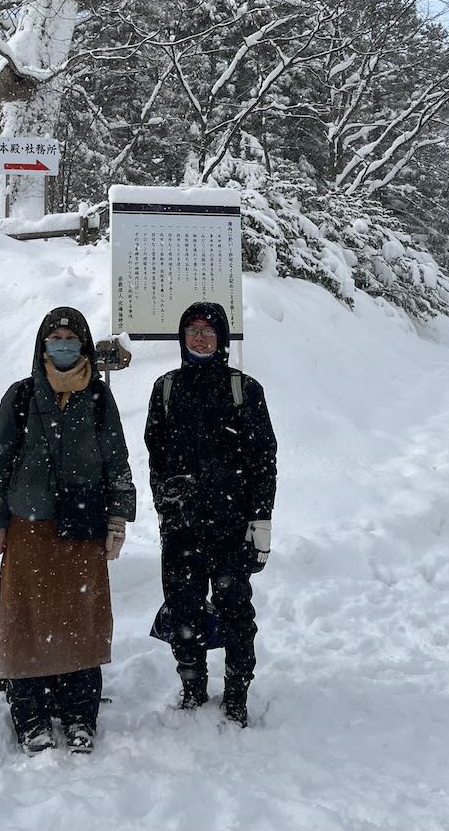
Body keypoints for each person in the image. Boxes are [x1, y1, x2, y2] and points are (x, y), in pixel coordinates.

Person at [0, 306, 136, 755]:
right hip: (28, 526)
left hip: (83, 525)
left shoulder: (101, 399)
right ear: (42, 345)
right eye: (55, 338)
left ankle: (80, 714)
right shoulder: (23, 396)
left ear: (83, 345)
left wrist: (118, 519)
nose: (62, 345)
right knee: (26, 621)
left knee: (81, 621)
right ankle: (29, 714)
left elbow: (117, 462)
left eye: (70, 338)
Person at [144, 301, 277, 729]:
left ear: (222, 338)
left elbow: (263, 460)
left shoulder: (244, 389)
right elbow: (155, 455)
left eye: (208, 330)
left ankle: (236, 692)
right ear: (181, 338)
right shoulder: (165, 388)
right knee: (184, 608)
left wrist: (260, 521)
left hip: (231, 526)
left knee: (236, 610)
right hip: (182, 527)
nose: (199, 337)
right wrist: (166, 501)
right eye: (192, 330)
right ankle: (192, 683)